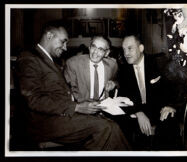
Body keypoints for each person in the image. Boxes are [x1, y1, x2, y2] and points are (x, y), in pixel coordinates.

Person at [16, 20, 131, 151]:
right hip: (46, 122)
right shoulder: (28, 58)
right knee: (106, 127)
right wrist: (76, 106)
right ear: (49, 36)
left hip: (61, 115)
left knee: (111, 126)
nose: (65, 47)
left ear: (107, 52)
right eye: (63, 41)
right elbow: (34, 100)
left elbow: (60, 93)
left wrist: (82, 104)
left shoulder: (50, 60)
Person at [119, 34, 181, 150]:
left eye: (130, 48)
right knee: (123, 128)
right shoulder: (123, 70)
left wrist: (170, 106)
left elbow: (176, 87)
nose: (126, 53)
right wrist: (138, 112)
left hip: (160, 110)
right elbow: (123, 97)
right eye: (123, 49)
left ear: (141, 48)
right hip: (138, 111)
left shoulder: (159, 63)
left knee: (169, 125)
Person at [64, 36, 118, 103]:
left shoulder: (112, 65)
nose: (95, 52)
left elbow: (116, 80)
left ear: (106, 53)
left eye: (100, 49)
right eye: (93, 46)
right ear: (89, 47)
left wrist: (114, 84)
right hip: (82, 106)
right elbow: (70, 89)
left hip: (104, 106)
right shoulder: (73, 64)